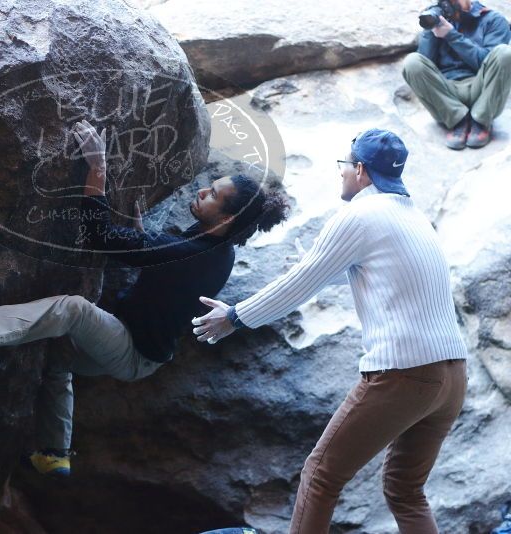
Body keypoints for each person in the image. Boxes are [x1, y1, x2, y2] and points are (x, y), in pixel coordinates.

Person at [0, 120, 289, 476]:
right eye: (209, 186)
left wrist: (97, 167)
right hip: (139, 347)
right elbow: (170, 274)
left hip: (132, 351)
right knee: (58, 360)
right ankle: (54, 452)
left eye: (212, 195)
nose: (201, 191)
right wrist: (144, 242)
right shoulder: (219, 250)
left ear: (226, 220)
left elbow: (98, 235)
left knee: (74, 310)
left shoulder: (191, 251)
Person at [192, 129, 468, 533]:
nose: (341, 175)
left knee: (320, 475)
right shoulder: (412, 216)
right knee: (406, 490)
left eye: (344, 166)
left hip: (404, 375)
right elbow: (353, 272)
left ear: (360, 170)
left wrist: (235, 316)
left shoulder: (360, 214)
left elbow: (302, 282)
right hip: (451, 378)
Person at [402, 0, 511, 149]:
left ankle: (481, 120)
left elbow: (490, 61)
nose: (448, 4)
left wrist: (451, 36)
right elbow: (424, 65)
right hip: (447, 93)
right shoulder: (439, 19)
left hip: (482, 89)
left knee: (505, 52)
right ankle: (457, 120)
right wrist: (430, 30)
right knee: (412, 62)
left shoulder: (493, 20)